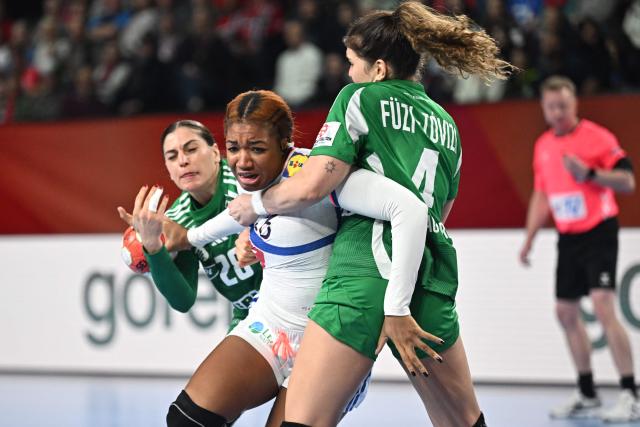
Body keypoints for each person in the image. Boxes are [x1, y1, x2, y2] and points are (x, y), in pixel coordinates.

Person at [227, 3, 513, 426]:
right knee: (463, 419)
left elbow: (313, 186)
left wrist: (254, 208)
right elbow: (439, 212)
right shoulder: (447, 124)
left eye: (352, 64)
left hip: (360, 275)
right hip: (425, 274)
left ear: (378, 69)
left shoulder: (359, 98)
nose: (347, 74)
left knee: (303, 420)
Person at [132, 90, 437, 427]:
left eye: (257, 149)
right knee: (186, 421)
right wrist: (188, 238)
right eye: (234, 148)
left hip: (329, 339)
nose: (243, 161)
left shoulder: (317, 171)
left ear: (285, 143)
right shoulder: (248, 181)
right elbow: (242, 213)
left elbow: (408, 208)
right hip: (270, 325)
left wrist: (397, 307)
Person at [519, 75, 638, 422]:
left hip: (599, 230)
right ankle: (587, 392)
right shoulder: (542, 146)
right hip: (568, 236)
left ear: (575, 105)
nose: (558, 113)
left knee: (603, 305)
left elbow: (628, 181)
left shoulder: (597, 137)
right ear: (543, 107)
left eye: (564, 106)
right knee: (565, 311)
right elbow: (542, 194)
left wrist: (590, 174)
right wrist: (529, 238)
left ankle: (631, 393)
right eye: (551, 106)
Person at [117, 119, 262, 330]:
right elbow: (183, 301)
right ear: (167, 168)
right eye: (172, 157)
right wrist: (153, 248)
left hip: (294, 298)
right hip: (250, 316)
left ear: (214, 153)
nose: (183, 161)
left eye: (191, 149)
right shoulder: (175, 221)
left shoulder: (246, 177)